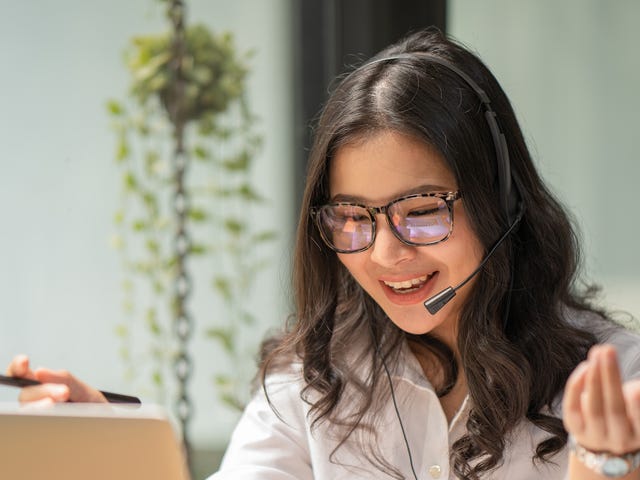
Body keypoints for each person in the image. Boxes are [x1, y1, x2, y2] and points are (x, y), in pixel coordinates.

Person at [7, 28, 640, 480]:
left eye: (421, 210)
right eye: (351, 218)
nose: (386, 253)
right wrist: (119, 454)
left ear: (497, 200)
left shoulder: (622, 379)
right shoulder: (311, 381)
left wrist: (605, 466)